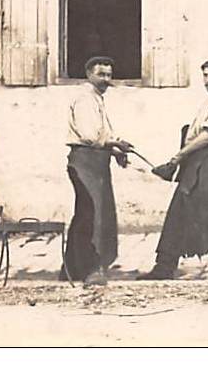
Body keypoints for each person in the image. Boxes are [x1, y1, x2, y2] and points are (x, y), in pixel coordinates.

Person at [138, 59, 208, 281]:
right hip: (195, 163)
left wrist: (178, 157)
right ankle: (164, 267)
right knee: (178, 211)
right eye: (205, 75)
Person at [62, 56, 133, 286]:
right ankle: (91, 269)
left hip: (97, 163)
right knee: (91, 217)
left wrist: (115, 149)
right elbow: (90, 136)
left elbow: (101, 135)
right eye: (101, 75)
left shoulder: (96, 99)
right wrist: (114, 144)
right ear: (89, 74)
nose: (105, 80)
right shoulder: (85, 99)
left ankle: (70, 269)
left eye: (109, 75)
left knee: (85, 214)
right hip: (85, 163)